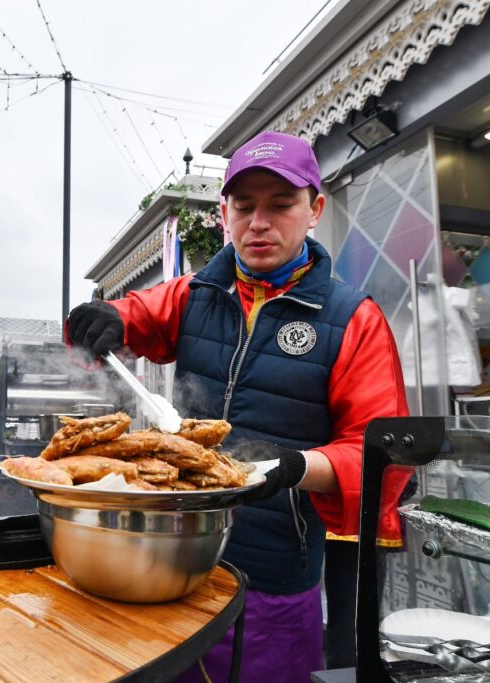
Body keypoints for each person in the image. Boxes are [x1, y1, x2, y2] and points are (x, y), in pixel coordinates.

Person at [66, 131, 411, 682]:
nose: (258, 222)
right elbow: (137, 314)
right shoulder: (196, 293)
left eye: (280, 205)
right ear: (223, 212)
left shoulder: (353, 318)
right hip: (172, 564)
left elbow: (381, 457)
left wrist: (294, 468)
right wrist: (106, 319)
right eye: (244, 206)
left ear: (315, 209)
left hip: (274, 579)